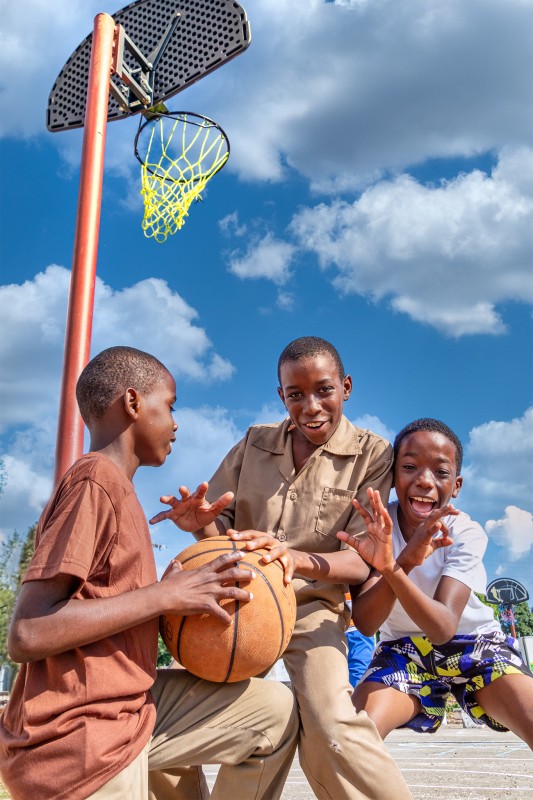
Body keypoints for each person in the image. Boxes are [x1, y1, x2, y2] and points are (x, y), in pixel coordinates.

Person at [0, 346, 298, 800]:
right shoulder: (93, 482)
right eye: (170, 406)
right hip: (80, 739)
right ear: (134, 403)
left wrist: (183, 590)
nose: (176, 422)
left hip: (129, 705)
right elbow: (28, 632)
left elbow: (108, 608)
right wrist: (164, 596)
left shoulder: (118, 489)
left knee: (274, 711)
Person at [151, 336, 413, 800]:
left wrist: (291, 558)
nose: (311, 405)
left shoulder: (374, 455)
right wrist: (199, 527)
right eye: (296, 394)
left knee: (332, 726)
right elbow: (221, 533)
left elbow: (361, 558)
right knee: (164, 711)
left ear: (346, 387)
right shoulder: (254, 443)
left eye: (324, 390)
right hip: (237, 599)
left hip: (313, 606)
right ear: (281, 396)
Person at [337, 418, 533, 747]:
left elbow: (443, 627)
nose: (425, 481)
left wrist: (396, 568)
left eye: (440, 472)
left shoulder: (464, 532)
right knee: (354, 737)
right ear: (392, 476)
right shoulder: (376, 526)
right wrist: (398, 562)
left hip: (476, 645)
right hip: (404, 651)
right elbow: (368, 623)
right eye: (410, 466)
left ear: (455, 486)